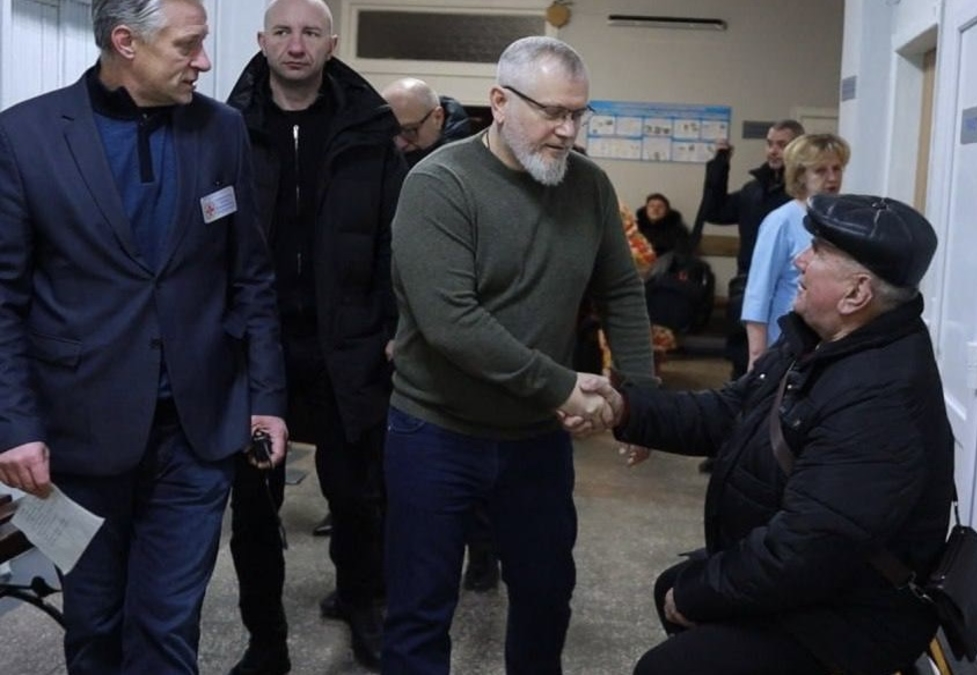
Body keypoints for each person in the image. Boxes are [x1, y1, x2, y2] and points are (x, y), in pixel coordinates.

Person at [0, 1, 288, 673]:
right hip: (78, 434)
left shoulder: (222, 130)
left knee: (167, 623)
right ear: (127, 42)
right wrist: (14, 424)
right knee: (95, 623)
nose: (204, 62)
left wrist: (266, 397)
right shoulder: (25, 135)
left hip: (197, 429)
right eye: (188, 45)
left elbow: (250, 275)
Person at [383, 36, 657, 674]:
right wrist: (563, 386)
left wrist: (641, 400)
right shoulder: (439, 184)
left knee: (545, 596)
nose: (567, 131)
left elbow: (620, 289)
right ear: (500, 102)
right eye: (552, 112)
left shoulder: (589, 185)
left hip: (534, 440)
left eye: (579, 114)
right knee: (420, 611)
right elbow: (452, 322)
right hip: (436, 433)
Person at [596, 194, 955, 675]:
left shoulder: (881, 398)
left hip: (856, 616)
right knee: (673, 588)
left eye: (818, 252)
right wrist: (624, 408)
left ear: (856, 294)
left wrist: (701, 594)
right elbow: (729, 412)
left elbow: (806, 549)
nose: (799, 260)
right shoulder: (822, 340)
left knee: (669, 665)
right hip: (825, 583)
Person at [225, 0, 404, 671]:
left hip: (349, 348)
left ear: (331, 45)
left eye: (310, 33)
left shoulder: (370, 129)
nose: (295, 45)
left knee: (358, 500)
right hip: (256, 350)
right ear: (261, 40)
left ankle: (362, 606)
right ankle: (265, 640)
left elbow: (395, 240)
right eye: (282, 32)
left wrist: (392, 327)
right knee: (253, 509)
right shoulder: (227, 128)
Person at [380, 75, 502, 594]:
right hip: (409, 331)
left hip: (463, 329)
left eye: (409, 131)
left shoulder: (469, 164)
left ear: (436, 117)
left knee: (471, 451)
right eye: (392, 132)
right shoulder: (399, 152)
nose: (400, 142)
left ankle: (482, 552)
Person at [698, 119, 804, 379]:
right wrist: (720, 164)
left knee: (781, 365)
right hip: (748, 287)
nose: (773, 151)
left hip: (788, 293)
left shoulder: (800, 199)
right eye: (770, 144)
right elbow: (715, 211)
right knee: (742, 362)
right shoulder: (754, 190)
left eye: (781, 145)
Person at [743, 133, 850, 369]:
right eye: (820, 171)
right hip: (787, 343)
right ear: (801, 175)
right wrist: (757, 356)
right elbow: (758, 292)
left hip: (831, 342)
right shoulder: (781, 221)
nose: (832, 178)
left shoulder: (842, 220)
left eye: (837, 168)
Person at [381, 76, 473, 165]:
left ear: (437, 117)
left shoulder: (467, 163)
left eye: (409, 131)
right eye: (390, 131)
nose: (399, 144)